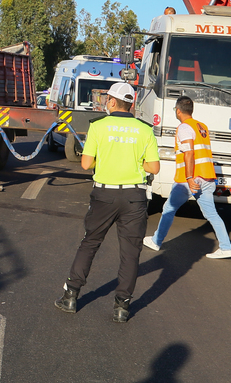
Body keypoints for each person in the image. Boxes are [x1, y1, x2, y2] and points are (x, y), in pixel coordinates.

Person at [54, 82, 160, 323]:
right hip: (134, 197)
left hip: (104, 195)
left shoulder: (98, 126)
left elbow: (85, 163)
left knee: (90, 243)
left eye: (107, 99)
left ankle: (71, 296)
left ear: (112, 102)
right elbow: (154, 167)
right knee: (130, 252)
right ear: (131, 104)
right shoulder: (145, 130)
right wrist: (135, 162)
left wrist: (103, 159)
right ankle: (122, 307)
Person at [144, 97, 231, 258]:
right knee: (212, 214)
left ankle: (156, 241)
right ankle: (226, 247)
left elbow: (189, 153)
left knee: (168, 209)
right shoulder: (201, 126)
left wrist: (190, 177)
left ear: (178, 111)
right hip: (207, 177)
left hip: (190, 180)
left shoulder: (184, 127)